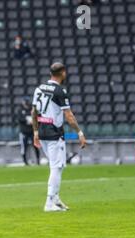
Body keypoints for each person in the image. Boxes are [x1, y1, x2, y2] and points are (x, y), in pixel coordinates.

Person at [31, 62, 87, 212]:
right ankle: (49, 202)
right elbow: (68, 115)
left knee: (58, 166)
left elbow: (34, 112)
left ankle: (55, 198)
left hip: (42, 131)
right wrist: (80, 132)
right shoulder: (60, 91)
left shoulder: (39, 89)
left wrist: (35, 132)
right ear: (62, 72)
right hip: (54, 132)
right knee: (56, 167)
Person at [18, 96, 40, 165]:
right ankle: (25, 161)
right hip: (24, 132)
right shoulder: (20, 110)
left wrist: (33, 121)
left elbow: (37, 118)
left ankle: (38, 160)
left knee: (36, 146)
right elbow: (20, 119)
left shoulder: (32, 109)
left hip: (32, 132)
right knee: (24, 147)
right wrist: (28, 120)